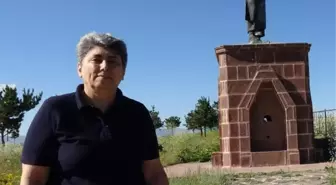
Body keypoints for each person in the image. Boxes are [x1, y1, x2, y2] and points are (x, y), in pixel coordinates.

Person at [20, 32, 169, 185]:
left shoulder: (137, 113)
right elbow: (34, 178)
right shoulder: (55, 110)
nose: (105, 67)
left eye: (113, 62)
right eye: (97, 60)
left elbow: (154, 174)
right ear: (79, 69)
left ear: (123, 72)